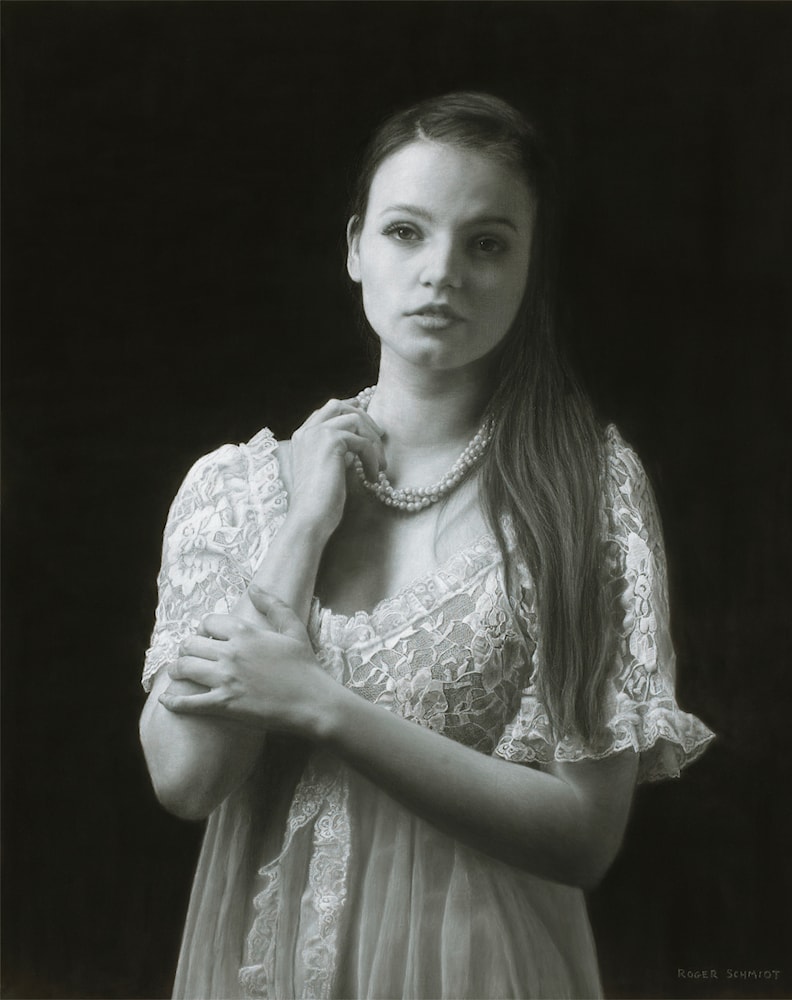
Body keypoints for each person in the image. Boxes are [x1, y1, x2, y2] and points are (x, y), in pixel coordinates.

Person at [139, 92, 715, 1000]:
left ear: (529, 266)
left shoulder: (582, 491)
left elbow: (584, 838)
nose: (441, 272)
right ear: (355, 248)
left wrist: (323, 706)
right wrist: (302, 525)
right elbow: (187, 779)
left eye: (486, 243)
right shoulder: (232, 490)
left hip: (472, 966)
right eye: (406, 232)